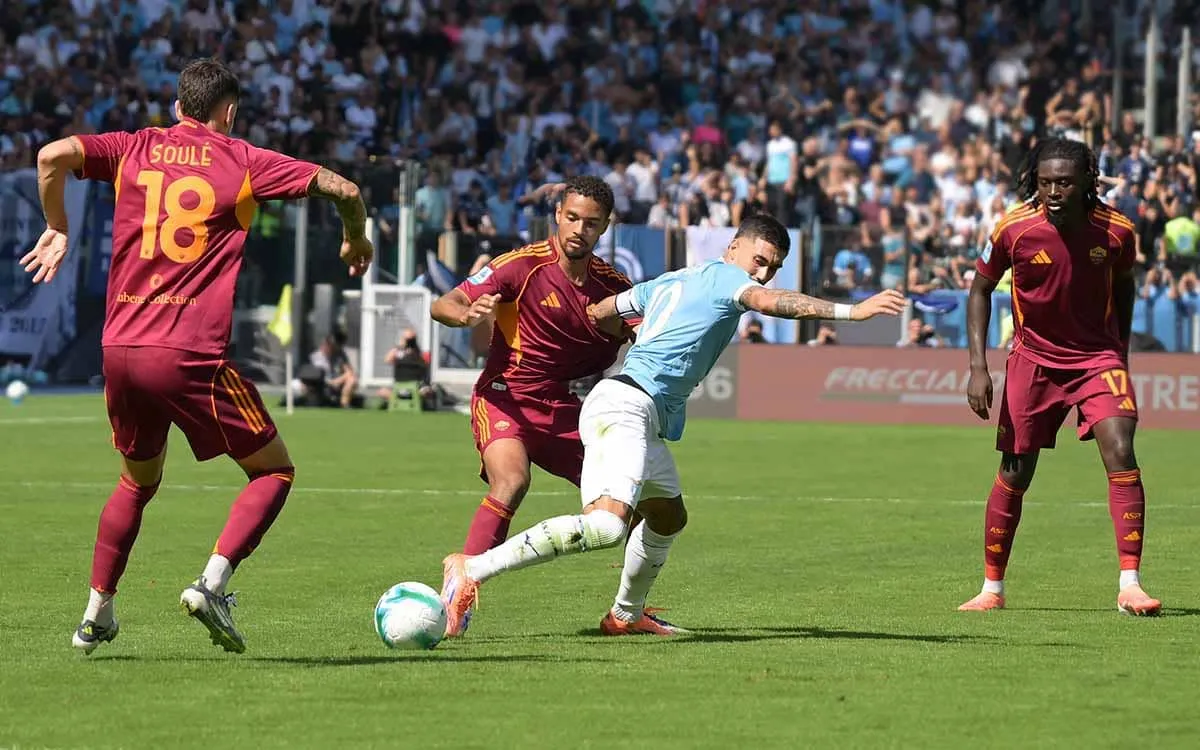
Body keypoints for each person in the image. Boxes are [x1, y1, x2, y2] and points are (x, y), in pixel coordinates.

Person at [21, 58, 374, 655]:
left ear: (179, 103)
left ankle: (95, 615)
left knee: (136, 483)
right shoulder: (241, 159)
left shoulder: (134, 146)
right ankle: (212, 584)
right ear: (228, 111)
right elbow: (346, 188)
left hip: (121, 348)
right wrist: (355, 234)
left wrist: (57, 225)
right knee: (273, 471)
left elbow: (51, 155)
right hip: (187, 351)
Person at [439, 213, 905, 636]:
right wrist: (853, 312)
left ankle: (626, 614)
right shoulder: (728, 279)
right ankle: (472, 569)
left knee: (667, 516)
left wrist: (638, 328)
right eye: (759, 260)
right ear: (734, 249)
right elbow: (771, 301)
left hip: (635, 411)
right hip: (625, 405)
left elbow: (603, 311)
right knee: (605, 527)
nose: (762, 273)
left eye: (773, 266)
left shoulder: (673, 280)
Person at [959, 138, 1160, 616]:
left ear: (1088, 181)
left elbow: (1125, 285)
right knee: (1016, 471)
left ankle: (1130, 584)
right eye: (1045, 181)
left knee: (1121, 448)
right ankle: (992, 588)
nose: (1053, 191)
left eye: (1064, 183)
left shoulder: (1117, 231)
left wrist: (1121, 352)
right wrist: (977, 366)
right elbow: (980, 289)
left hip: (1098, 360)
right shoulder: (1014, 228)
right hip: (1034, 361)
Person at [429, 175, 636, 637]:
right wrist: (463, 315)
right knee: (512, 480)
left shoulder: (613, 286)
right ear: (558, 215)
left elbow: (647, 333)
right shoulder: (522, 266)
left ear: (606, 227)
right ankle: (458, 593)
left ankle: (628, 611)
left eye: (592, 223)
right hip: (505, 397)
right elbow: (447, 302)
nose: (579, 229)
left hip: (562, 407)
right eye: (572, 217)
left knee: (629, 503)